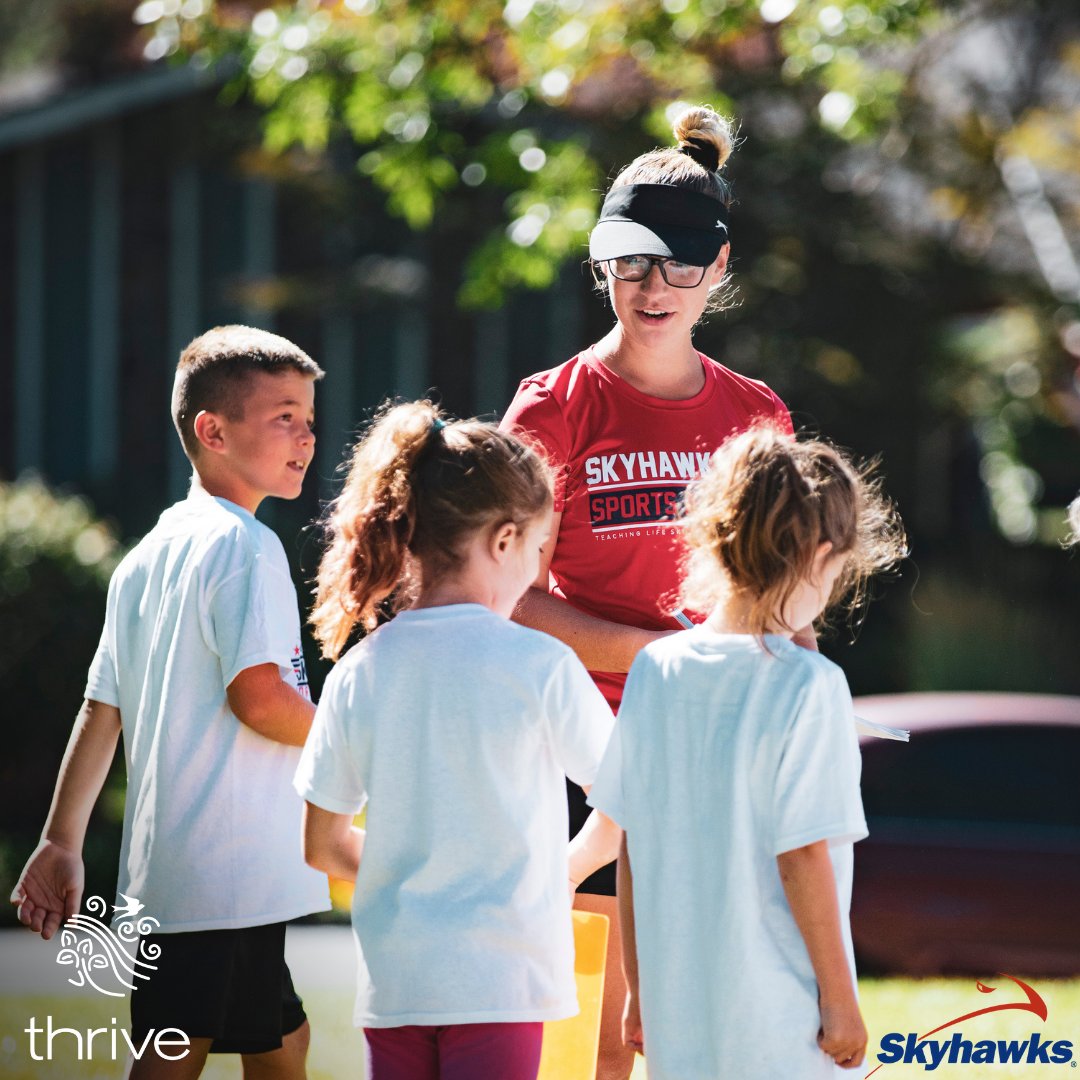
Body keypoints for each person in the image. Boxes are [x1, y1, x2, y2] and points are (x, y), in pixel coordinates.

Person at [500, 102, 795, 1079]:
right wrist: (646, 656)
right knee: (590, 1033)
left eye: (678, 264)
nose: (652, 286)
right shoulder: (554, 405)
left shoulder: (758, 416)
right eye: (630, 261)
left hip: (707, 747)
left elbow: (777, 591)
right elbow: (499, 591)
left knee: (680, 1024)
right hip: (577, 749)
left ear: (716, 270)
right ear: (602, 267)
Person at [10, 325, 331, 1079]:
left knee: (283, 1042)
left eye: (309, 417)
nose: (306, 435)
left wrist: (61, 841)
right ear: (212, 431)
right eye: (284, 415)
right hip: (221, 876)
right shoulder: (243, 545)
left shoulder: (147, 554)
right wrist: (355, 739)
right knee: (172, 1055)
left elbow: (100, 710)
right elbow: (259, 697)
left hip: (211, 880)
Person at [294, 401, 616, 1080]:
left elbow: (321, 844)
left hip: (396, 983)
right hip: (502, 980)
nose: (536, 570)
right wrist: (564, 870)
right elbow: (629, 796)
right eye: (537, 549)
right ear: (505, 541)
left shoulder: (358, 671)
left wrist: (403, 871)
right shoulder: (541, 664)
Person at [588, 425, 907, 1079]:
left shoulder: (655, 668)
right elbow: (802, 852)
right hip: (780, 1022)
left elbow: (631, 842)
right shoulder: (810, 683)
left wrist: (640, 991)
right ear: (820, 553)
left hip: (679, 1016)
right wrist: (842, 1001)